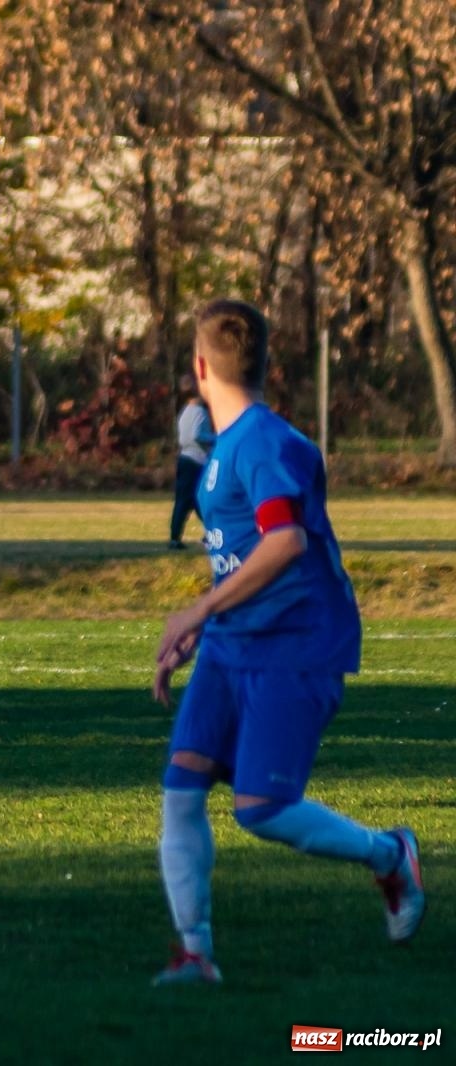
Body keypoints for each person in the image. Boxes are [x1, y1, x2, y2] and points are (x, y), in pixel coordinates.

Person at [150, 299, 423, 984]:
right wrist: (207, 626)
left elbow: (285, 543)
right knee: (182, 786)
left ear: (199, 367)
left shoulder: (264, 443)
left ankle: (390, 855)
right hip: (233, 645)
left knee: (262, 811)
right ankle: (195, 955)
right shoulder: (225, 448)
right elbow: (239, 556)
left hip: (295, 648)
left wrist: (196, 610)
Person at [169, 374, 214, 549]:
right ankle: (208, 534)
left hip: (184, 459)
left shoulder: (184, 412)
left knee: (188, 500)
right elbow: (196, 435)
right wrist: (216, 438)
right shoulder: (200, 412)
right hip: (196, 461)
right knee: (201, 500)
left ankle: (176, 536)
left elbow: (183, 437)